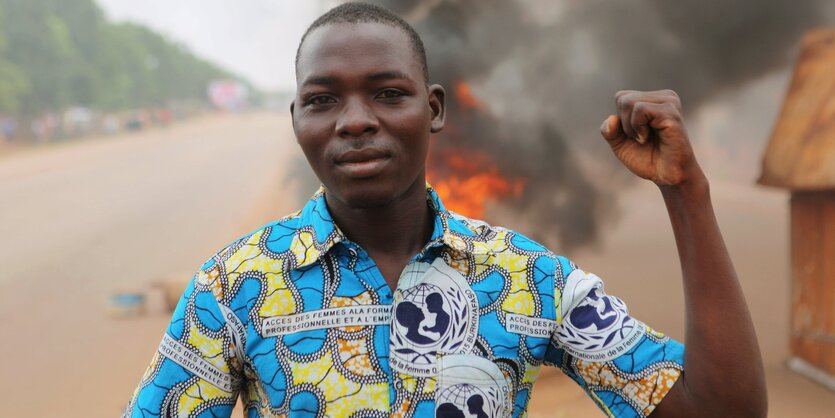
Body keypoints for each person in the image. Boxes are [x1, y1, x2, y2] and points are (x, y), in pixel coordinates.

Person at [123, 3, 766, 417]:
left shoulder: (527, 279)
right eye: (322, 100)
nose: (355, 121)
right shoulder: (232, 288)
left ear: (433, 109)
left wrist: (687, 195)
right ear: (297, 121)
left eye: (387, 93)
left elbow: (721, 410)